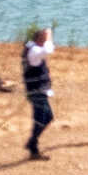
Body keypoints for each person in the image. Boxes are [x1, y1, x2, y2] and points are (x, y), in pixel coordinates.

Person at [22, 26, 55, 160]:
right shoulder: (35, 51)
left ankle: (32, 143)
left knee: (46, 117)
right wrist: (50, 35)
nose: (45, 41)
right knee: (42, 118)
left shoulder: (33, 48)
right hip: (37, 90)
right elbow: (49, 50)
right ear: (39, 40)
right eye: (44, 39)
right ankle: (33, 145)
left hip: (38, 90)